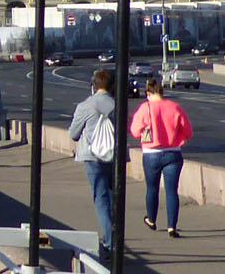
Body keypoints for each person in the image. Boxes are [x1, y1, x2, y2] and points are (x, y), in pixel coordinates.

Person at [68, 68, 120, 260]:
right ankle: (115, 237)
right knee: (114, 199)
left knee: (101, 199)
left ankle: (111, 243)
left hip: (93, 158)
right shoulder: (118, 105)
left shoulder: (86, 106)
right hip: (115, 157)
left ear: (94, 85)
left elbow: (73, 134)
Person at [130, 75, 192, 237]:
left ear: (148, 94)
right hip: (173, 153)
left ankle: (151, 220)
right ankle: (172, 227)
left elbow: (134, 132)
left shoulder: (145, 108)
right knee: (172, 191)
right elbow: (188, 132)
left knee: (152, 189)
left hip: (151, 154)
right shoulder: (175, 107)